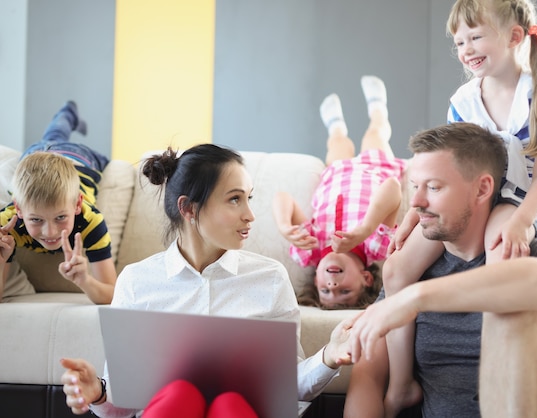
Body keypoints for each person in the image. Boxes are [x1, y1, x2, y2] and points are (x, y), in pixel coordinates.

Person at [380, 1, 537, 415]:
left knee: (500, 257)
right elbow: (441, 165)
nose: (466, 49)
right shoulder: (464, 99)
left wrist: (522, 224)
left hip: (517, 200)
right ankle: (402, 384)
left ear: (513, 37)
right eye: (459, 42)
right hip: (469, 198)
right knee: (396, 268)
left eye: (476, 37)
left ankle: (528, 376)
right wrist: (413, 215)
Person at [60, 143, 353, 418]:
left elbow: (288, 389)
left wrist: (328, 356)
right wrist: (98, 393)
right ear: (188, 208)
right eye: (235, 199)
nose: (250, 215)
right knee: (178, 395)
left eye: (248, 198)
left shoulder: (271, 278)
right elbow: (122, 404)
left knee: (230, 403)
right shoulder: (137, 281)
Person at [343, 122, 537, 418]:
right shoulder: (409, 273)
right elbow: (367, 379)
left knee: (515, 302)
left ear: (482, 189)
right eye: (415, 187)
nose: (415, 203)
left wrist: (418, 298)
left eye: (434, 187)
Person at [273, 75, 406, 309]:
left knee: (338, 144)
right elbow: (393, 189)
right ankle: (378, 110)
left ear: (316, 279)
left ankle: (336, 125)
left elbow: (282, 198)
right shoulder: (375, 246)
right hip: (375, 169)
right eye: (345, 291)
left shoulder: (311, 247)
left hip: (336, 172)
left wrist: (285, 227)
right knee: (374, 135)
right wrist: (365, 229)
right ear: (366, 278)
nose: (333, 287)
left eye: (325, 290)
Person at [0, 101, 116, 304]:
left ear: (77, 205)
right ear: (18, 209)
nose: (51, 232)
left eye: (61, 217)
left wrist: (85, 280)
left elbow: (113, 295)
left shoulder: (91, 221)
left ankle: (69, 112)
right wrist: (2, 259)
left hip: (78, 157)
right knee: (53, 135)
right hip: (35, 154)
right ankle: (67, 113)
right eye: (36, 219)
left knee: (59, 136)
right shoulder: (6, 226)